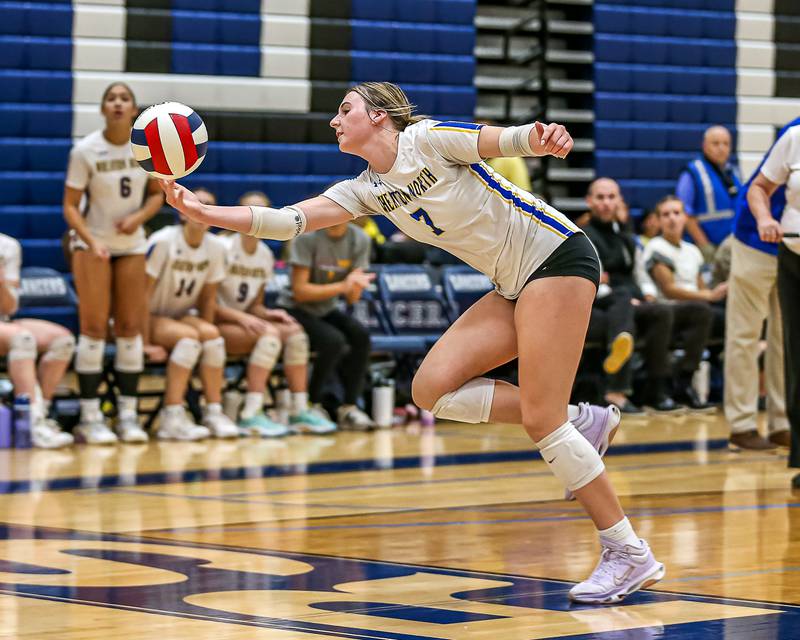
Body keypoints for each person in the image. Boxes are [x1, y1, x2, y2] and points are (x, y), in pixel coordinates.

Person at [160, 81, 664, 604]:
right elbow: (289, 220)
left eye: (344, 110)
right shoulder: (365, 189)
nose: (335, 121)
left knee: (541, 419)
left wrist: (543, 138)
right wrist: (206, 214)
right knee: (431, 390)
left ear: (379, 117)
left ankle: (627, 551)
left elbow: (503, 139)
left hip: (557, 257)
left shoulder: (426, 139)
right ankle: (581, 419)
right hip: (513, 283)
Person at [63, 82, 163, 444]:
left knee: (130, 326)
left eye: (125, 98)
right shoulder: (85, 150)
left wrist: (138, 219)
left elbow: (156, 197)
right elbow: (70, 206)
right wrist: (90, 242)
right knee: (92, 327)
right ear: (103, 108)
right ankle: (90, 418)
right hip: (93, 242)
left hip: (131, 243)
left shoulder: (147, 148)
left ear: (134, 109)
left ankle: (127, 416)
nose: (118, 103)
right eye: (111, 98)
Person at [215, 191, 337, 436]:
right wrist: (245, 318)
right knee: (270, 337)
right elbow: (206, 302)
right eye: (249, 211)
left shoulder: (265, 255)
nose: (254, 218)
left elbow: (254, 304)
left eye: (262, 213)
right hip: (215, 320)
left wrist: (269, 313)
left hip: (243, 322)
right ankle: (251, 413)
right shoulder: (222, 247)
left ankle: (299, 410)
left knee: (295, 333)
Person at [724, 118, 800, 452]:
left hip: (791, 248)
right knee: (745, 333)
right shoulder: (795, 133)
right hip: (756, 238)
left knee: (785, 337)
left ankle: (782, 421)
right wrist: (766, 222)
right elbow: (762, 188)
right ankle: (741, 424)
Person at [144, 188, 239, 441]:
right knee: (188, 340)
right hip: (147, 314)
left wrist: (207, 349)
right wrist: (143, 342)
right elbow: (139, 296)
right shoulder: (163, 241)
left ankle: (213, 411)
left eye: (208, 204)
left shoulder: (217, 247)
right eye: (196, 203)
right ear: (182, 213)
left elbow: (208, 297)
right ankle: (171, 416)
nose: (201, 207)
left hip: (180, 314)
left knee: (213, 338)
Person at [583, 179, 680, 415]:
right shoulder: (583, 236)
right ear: (589, 201)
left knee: (663, 311)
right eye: (600, 197)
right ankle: (615, 393)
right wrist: (623, 296)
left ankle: (657, 390)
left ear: (619, 201)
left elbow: (639, 272)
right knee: (623, 305)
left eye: (611, 197)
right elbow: (593, 280)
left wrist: (647, 293)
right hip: (599, 303)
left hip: (628, 301)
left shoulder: (626, 236)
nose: (606, 203)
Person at [278, 220, 377, 430]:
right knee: (333, 341)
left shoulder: (360, 239)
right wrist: (344, 285)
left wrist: (357, 285)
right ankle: (312, 404)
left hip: (326, 308)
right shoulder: (306, 238)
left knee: (360, 336)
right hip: (295, 309)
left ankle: (348, 407)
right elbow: (300, 292)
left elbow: (351, 299)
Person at [643, 195, 725, 411]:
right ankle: (679, 382)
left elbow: (700, 287)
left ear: (685, 218)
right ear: (659, 220)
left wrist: (711, 295)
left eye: (676, 213)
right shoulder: (655, 247)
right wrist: (709, 296)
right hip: (666, 310)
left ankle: (715, 386)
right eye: (666, 214)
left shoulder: (692, 250)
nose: (672, 218)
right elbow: (669, 290)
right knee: (703, 310)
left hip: (696, 308)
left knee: (725, 315)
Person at [0, 233, 74, 448]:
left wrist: (1, 282)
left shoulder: (8, 245)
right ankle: (33, 422)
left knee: (63, 340)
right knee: (22, 339)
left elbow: (9, 308)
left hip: (3, 321)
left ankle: (38, 416)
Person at [676, 125, 742, 262]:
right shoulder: (693, 172)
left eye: (726, 144)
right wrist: (704, 245)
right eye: (716, 143)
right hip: (705, 248)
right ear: (704, 145)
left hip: (732, 245)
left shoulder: (733, 172)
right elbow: (685, 213)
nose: (721, 148)